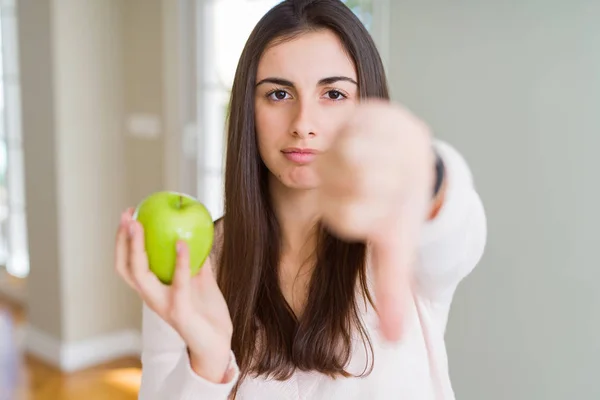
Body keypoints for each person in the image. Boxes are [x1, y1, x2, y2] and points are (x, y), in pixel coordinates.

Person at [114, 0, 487, 399]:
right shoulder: (193, 262)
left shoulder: (404, 243)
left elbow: (453, 227)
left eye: (333, 93)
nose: (303, 124)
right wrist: (207, 362)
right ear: (248, 109)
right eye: (278, 94)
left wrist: (428, 174)